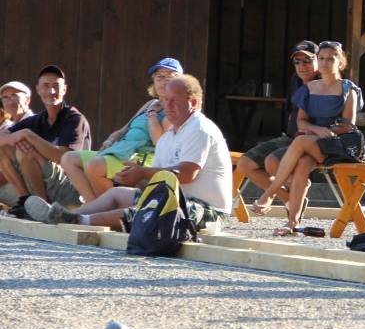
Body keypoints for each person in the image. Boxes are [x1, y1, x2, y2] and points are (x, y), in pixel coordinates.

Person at [26, 75, 232, 232]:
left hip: (208, 212)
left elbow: (186, 174)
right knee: (117, 193)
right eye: (166, 99)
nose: (167, 106)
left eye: (175, 100)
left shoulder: (198, 127)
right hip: (175, 200)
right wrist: (134, 177)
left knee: (154, 205)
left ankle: (80, 221)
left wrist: (143, 173)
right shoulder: (168, 135)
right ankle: (61, 215)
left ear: (194, 103)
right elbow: (157, 184)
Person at [250, 42, 363, 233]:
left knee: (301, 141)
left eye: (330, 58)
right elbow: (301, 121)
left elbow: (347, 125)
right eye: (321, 58)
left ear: (341, 62)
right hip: (313, 140)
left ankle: (268, 194)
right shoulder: (309, 88)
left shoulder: (348, 88)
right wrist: (316, 129)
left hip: (337, 143)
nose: (324, 62)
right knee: (301, 164)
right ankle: (292, 222)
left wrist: (325, 131)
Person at [59, 59, 180, 203]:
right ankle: (92, 208)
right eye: (159, 77)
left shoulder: (172, 108)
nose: (163, 81)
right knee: (68, 158)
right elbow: (122, 130)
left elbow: (159, 142)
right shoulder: (150, 104)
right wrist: (109, 141)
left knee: (93, 166)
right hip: (119, 150)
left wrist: (152, 113)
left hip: (141, 155)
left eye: (169, 77)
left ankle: (110, 211)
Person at [237, 41, 319, 215]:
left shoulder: (325, 83)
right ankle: (290, 197)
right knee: (245, 163)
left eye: (307, 60)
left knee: (273, 162)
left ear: (319, 60)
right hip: (291, 137)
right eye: (297, 61)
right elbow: (292, 112)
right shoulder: (295, 79)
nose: (302, 65)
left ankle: (298, 185)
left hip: (312, 141)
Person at [0, 66, 90, 218]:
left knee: (25, 151)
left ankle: (41, 205)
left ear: (64, 89)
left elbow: (62, 157)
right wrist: (11, 138)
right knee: (3, 147)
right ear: (38, 90)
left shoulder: (74, 118)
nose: (51, 92)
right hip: (42, 183)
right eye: (46, 86)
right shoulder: (36, 120)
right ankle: (25, 203)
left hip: (70, 190)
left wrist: (28, 135)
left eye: (56, 86)